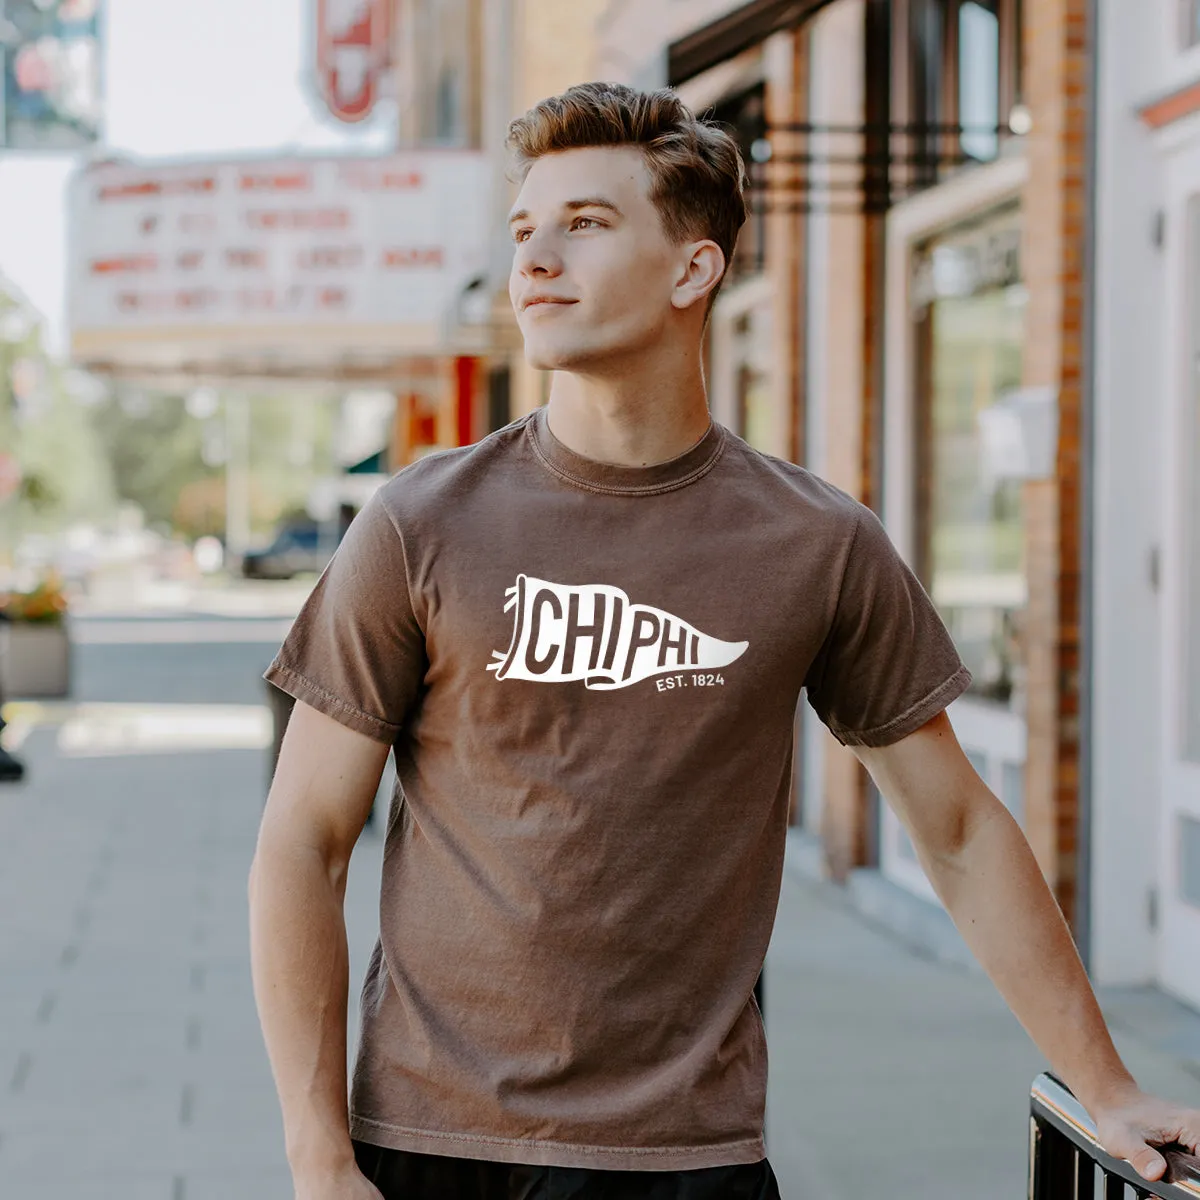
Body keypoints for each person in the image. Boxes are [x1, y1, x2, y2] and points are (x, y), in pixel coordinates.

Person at [249, 83, 1200, 1200]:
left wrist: (1109, 1082)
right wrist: (317, 1154)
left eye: (587, 225)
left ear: (693, 270)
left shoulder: (815, 543)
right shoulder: (420, 522)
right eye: (524, 230)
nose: (536, 258)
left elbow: (954, 830)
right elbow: (304, 840)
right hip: (435, 1145)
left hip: (691, 1160)